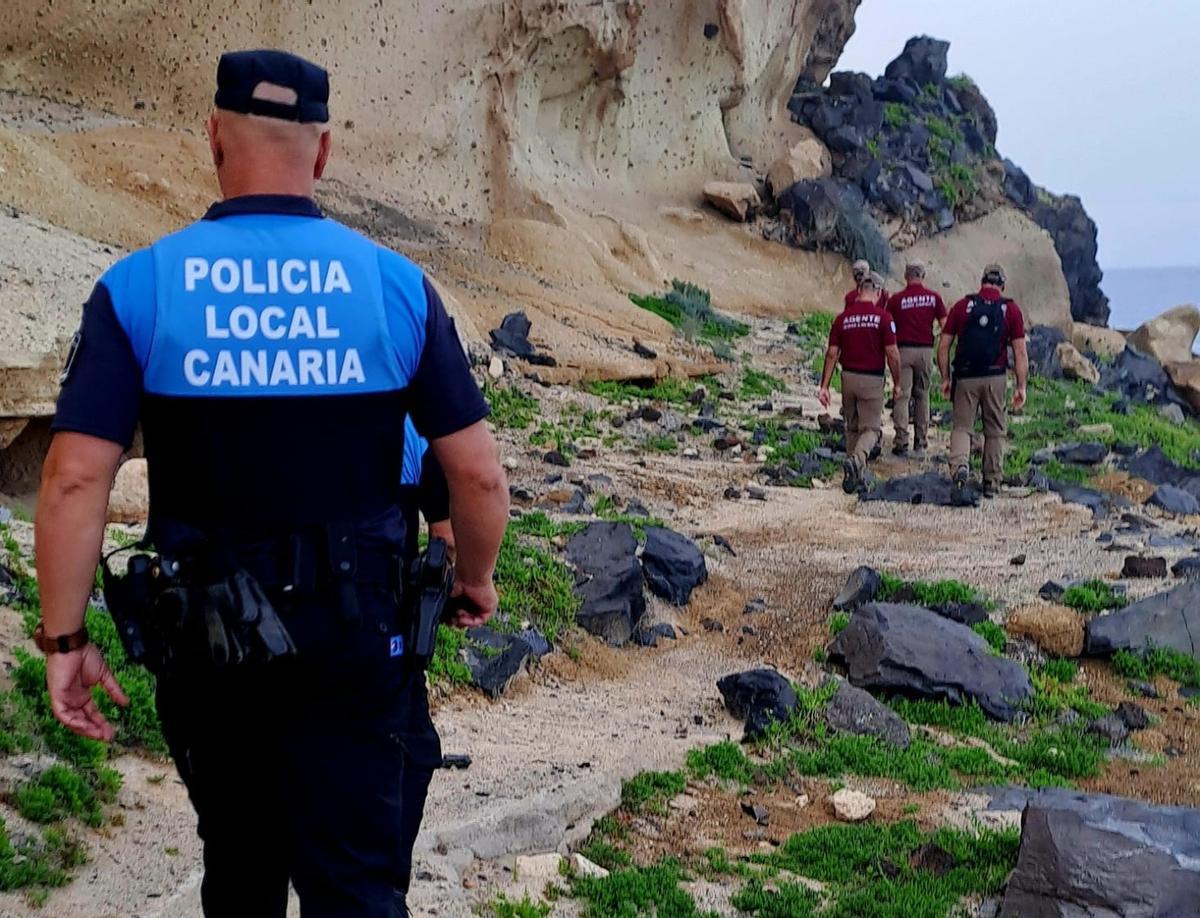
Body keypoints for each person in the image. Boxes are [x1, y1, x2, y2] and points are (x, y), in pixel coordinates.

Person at [34, 49, 509, 917]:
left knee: (240, 868)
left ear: (213, 138)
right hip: (357, 640)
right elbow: (475, 471)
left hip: (209, 641)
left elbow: (72, 481)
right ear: (321, 153)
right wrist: (472, 577)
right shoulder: (393, 285)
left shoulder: (139, 286)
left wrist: (66, 642)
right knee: (357, 885)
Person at [395, 417, 452, 917]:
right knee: (412, 752)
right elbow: (446, 529)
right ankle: (386, 893)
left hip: (244, 627)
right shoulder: (401, 405)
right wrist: (474, 582)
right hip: (370, 636)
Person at [938, 263, 1028, 503]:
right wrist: (1021, 386)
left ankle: (960, 469)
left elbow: (944, 346)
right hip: (995, 377)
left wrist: (945, 377)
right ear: (1003, 285)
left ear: (981, 282)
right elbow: (1020, 352)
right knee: (995, 430)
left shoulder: (962, 306)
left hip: (965, 377)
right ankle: (992, 481)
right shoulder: (1010, 310)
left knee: (962, 428)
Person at [819, 273, 902, 494]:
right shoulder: (884, 318)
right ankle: (856, 461)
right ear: (878, 292)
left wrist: (824, 386)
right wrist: (897, 382)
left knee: (852, 427)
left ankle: (854, 476)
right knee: (872, 429)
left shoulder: (842, 318)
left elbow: (831, 353)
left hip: (847, 377)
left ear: (859, 291)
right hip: (872, 379)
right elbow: (892, 353)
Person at [886, 263, 946, 455]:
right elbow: (946, 325)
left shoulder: (896, 300)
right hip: (925, 351)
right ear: (923, 275)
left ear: (905, 275)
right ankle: (921, 441)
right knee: (922, 395)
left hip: (903, 350)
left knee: (902, 396)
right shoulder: (934, 298)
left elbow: (887, 325)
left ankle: (901, 441)